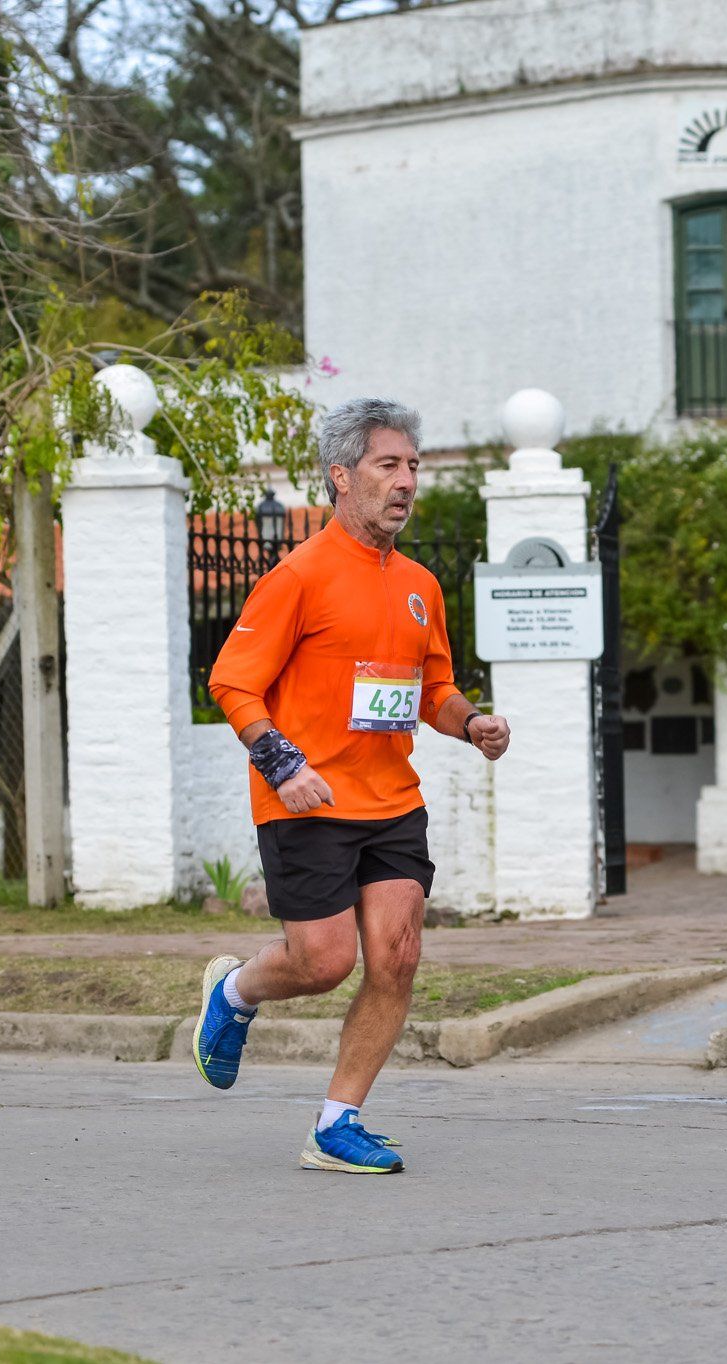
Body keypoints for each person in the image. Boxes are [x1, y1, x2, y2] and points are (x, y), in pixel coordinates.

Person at [197, 397, 511, 1174]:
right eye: (388, 465)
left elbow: (433, 689)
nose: (406, 482)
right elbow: (233, 682)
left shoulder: (420, 584)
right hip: (308, 799)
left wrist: (472, 722)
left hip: (392, 800)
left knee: (397, 956)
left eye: (413, 467)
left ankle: (337, 1122)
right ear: (342, 476)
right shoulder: (298, 576)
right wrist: (283, 764)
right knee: (323, 961)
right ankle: (235, 992)